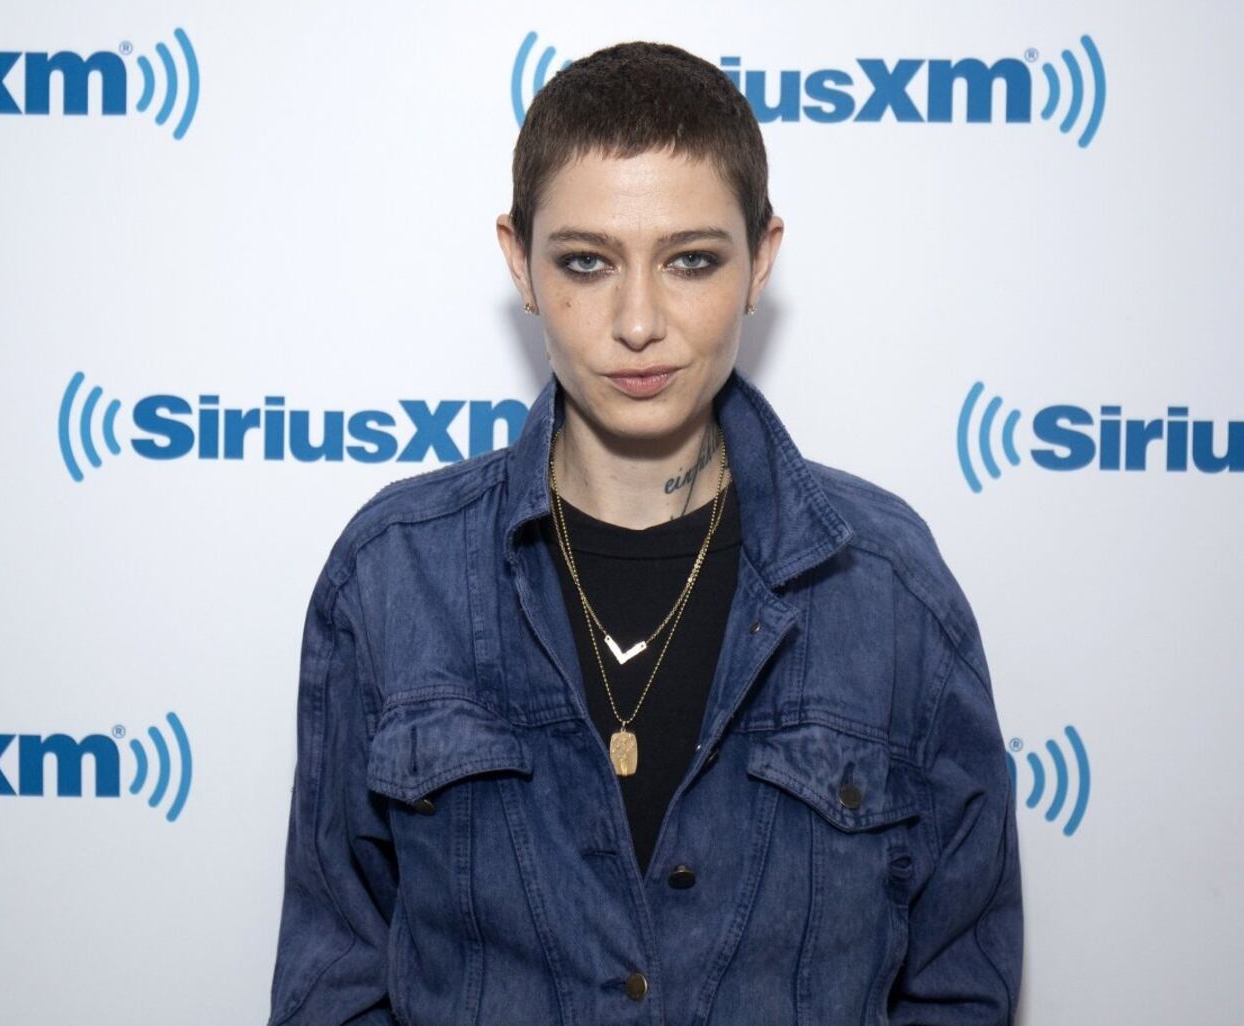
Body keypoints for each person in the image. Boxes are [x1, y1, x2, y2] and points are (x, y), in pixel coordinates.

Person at [267, 40, 1022, 1026]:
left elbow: (961, 983)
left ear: (761, 260)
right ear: (519, 262)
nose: (637, 322)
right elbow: (334, 981)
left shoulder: (885, 587)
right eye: (586, 262)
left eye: (690, 261)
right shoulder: (393, 576)